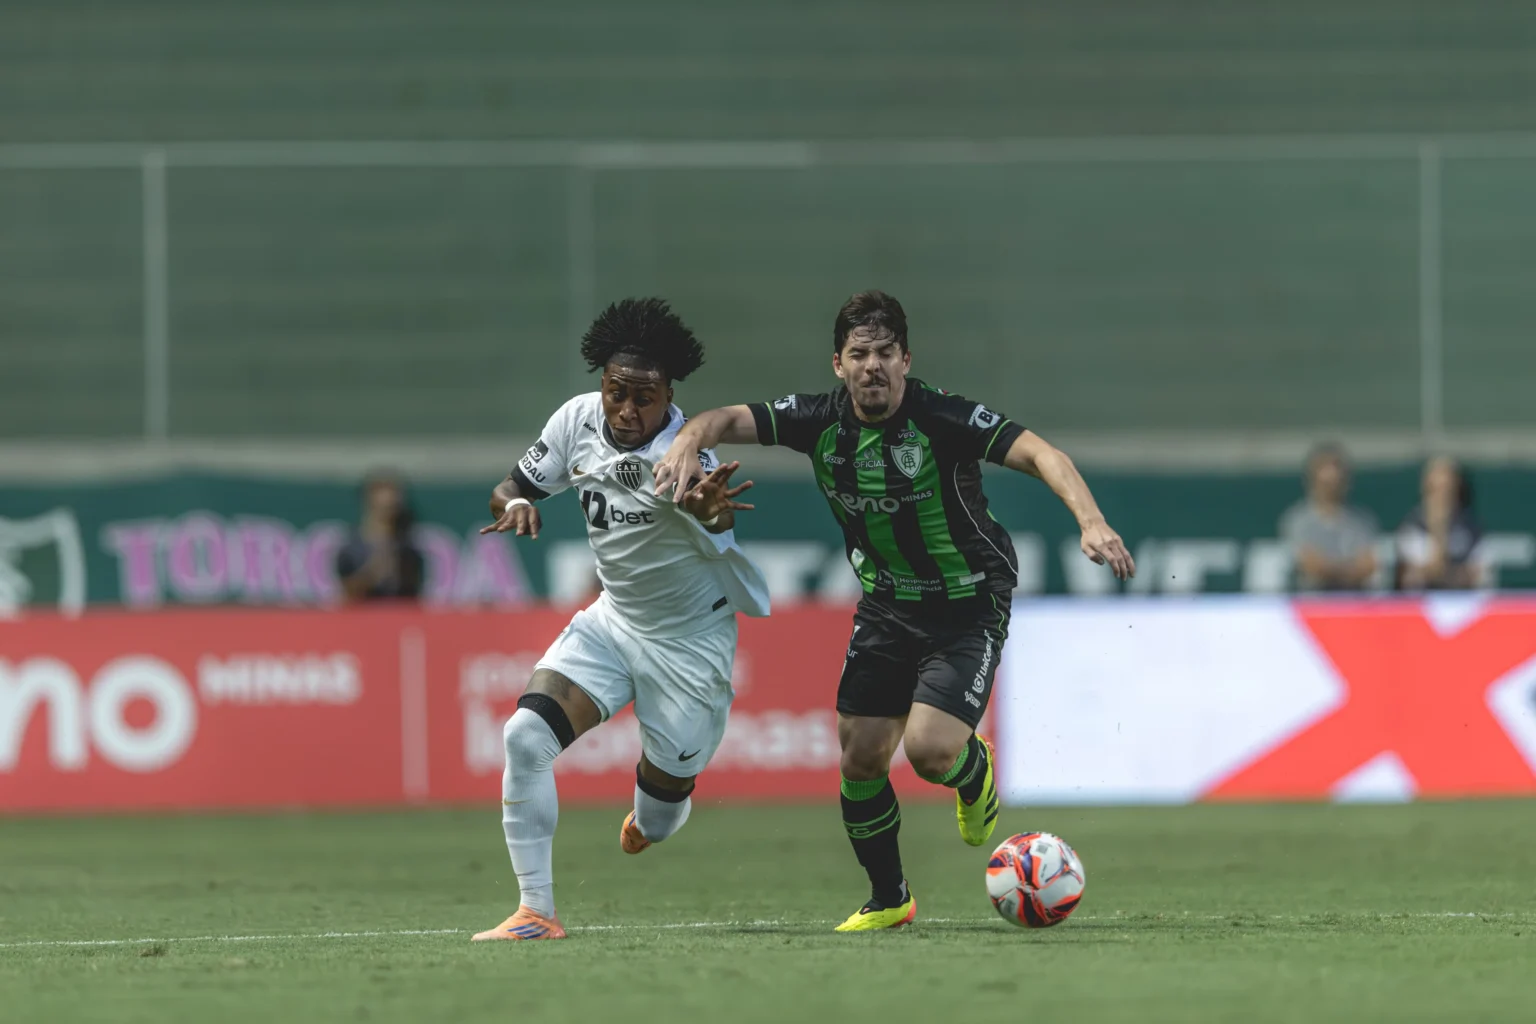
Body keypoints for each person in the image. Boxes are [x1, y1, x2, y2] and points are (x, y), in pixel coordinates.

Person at [652, 290, 1134, 932]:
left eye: (884, 353)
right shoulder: (816, 420)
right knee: (859, 756)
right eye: (859, 354)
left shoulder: (945, 418)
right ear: (838, 364)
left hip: (969, 600)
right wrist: (686, 439)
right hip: (886, 606)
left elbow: (1045, 455)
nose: (872, 365)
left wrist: (1091, 521)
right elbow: (720, 420)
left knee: (930, 752)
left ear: (906, 359)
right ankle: (890, 898)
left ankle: (973, 770)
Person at [471, 297, 767, 942]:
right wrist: (517, 500)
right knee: (524, 736)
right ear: (600, 386)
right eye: (616, 394)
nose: (628, 412)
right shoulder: (575, 420)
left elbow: (717, 519)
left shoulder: (686, 457)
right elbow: (508, 485)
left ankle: (652, 816)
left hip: (689, 646)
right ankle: (535, 913)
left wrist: (713, 512)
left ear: (669, 398)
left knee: (659, 815)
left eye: (646, 399)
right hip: (614, 622)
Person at [1278, 443, 1378, 591]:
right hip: (1313, 606)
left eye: (1337, 470)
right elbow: (1312, 567)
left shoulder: (1362, 520)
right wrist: (1349, 569)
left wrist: (1334, 570)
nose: (1333, 477)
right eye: (1325, 471)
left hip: (1356, 603)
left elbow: (1368, 566)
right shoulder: (1297, 520)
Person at [1396, 456, 1486, 590]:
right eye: (1435, 490)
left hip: (1463, 603)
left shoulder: (1471, 529)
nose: (1441, 496)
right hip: (1419, 605)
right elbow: (1414, 578)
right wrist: (1437, 530)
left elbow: (1476, 576)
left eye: (1447, 489)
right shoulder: (1412, 527)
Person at [335, 471, 424, 602]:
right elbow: (345, 595)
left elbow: (414, 594)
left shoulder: (408, 548)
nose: (390, 503)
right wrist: (372, 574)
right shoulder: (350, 547)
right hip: (363, 617)